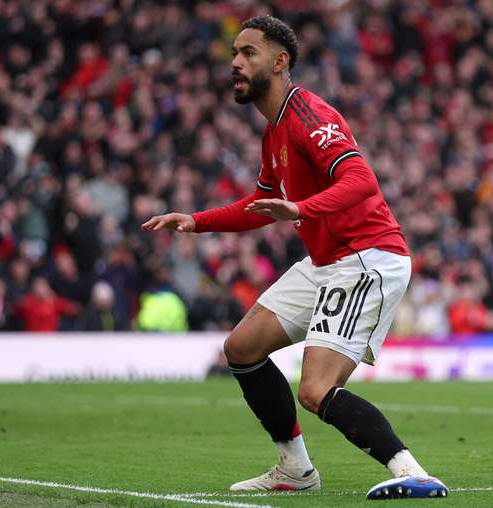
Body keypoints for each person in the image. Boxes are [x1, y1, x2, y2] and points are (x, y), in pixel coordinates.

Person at [142, 15, 447, 500]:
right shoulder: (273, 131)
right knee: (241, 349)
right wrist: (197, 221)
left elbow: (361, 181)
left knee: (314, 389)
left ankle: (413, 472)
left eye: (248, 53)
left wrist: (301, 208)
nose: (235, 63)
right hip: (328, 261)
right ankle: (295, 469)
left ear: (280, 61)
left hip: (366, 256)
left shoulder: (309, 114)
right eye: (235, 54)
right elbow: (261, 207)